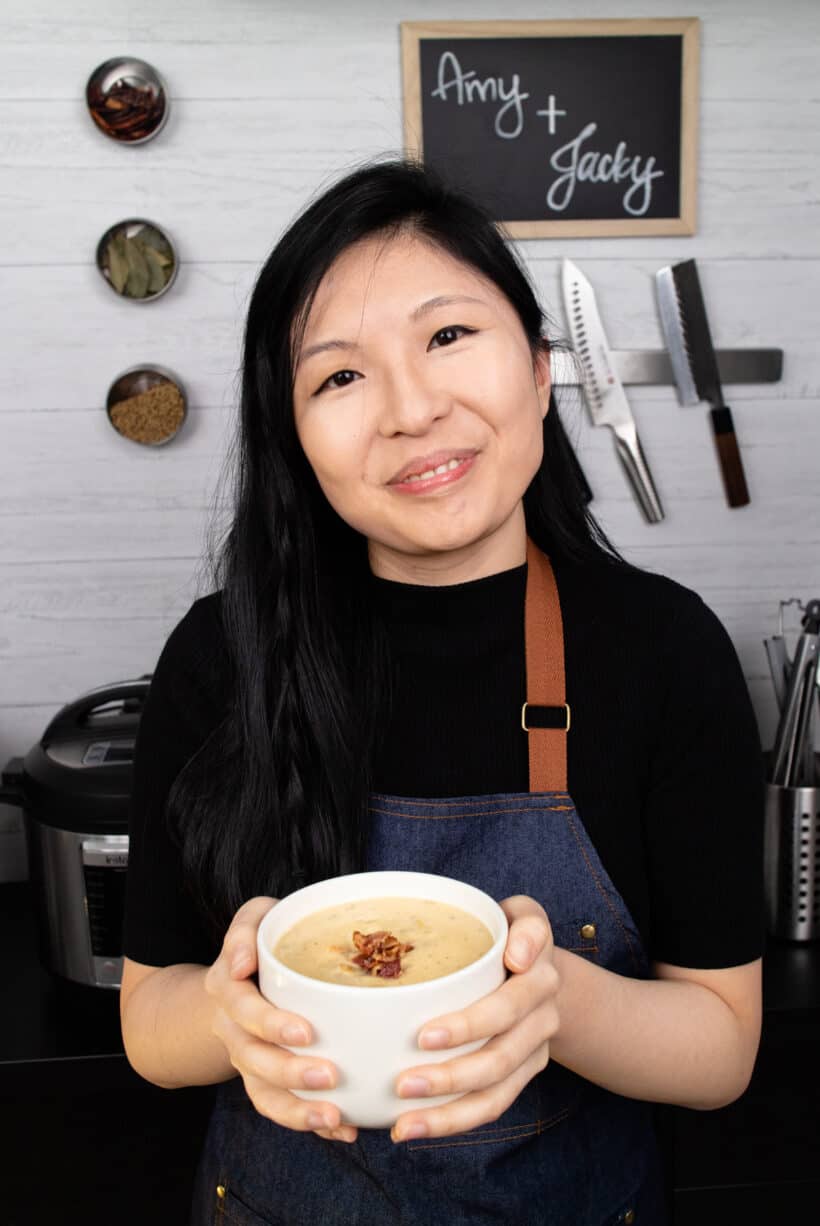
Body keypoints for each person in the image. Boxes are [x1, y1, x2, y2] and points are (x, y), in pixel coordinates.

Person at [119, 155, 765, 1226]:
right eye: (338, 376)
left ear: (541, 364)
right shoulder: (220, 656)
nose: (411, 408)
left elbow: (722, 1046)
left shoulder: (663, 649)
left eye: (447, 336)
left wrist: (558, 1003)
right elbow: (151, 1014)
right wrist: (231, 1023)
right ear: (295, 438)